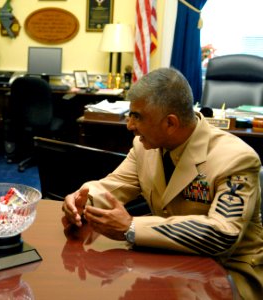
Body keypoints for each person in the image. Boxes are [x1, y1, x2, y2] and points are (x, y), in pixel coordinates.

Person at [62, 68, 263, 299]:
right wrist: (83, 197)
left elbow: (222, 234)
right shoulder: (144, 147)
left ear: (170, 123)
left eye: (137, 116)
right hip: (172, 262)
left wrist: (131, 228)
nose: (130, 125)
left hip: (228, 273)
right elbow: (112, 186)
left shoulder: (235, 158)